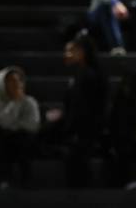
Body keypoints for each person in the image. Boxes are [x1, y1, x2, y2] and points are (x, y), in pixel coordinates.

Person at [44, 32, 109, 188]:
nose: (66, 54)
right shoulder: (83, 72)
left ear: (82, 52)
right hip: (81, 127)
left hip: (84, 131)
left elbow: (84, 109)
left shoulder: (88, 75)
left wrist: (68, 128)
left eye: (71, 50)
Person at [0, 66, 40, 187]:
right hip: (1, 139)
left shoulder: (30, 101)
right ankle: (3, 179)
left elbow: (32, 125)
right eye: (10, 80)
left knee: (21, 138)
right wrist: (15, 103)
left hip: (22, 139)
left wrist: (12, 125)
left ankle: (26, 181)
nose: (15, 83)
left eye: (18, 80)